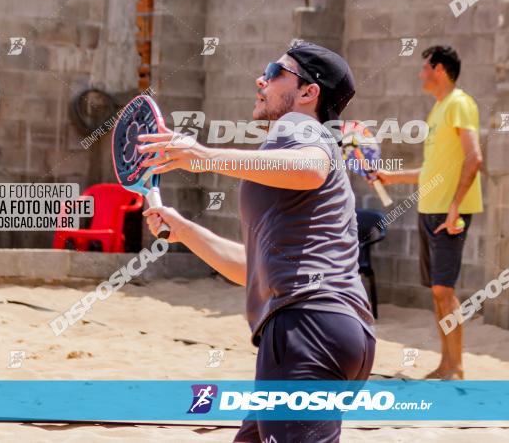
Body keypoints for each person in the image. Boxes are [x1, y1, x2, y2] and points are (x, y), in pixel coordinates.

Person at [139, 42, 375, 443]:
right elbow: (252, 270)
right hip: (334, 330)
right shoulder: (290, 145)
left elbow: (311, 168)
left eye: (275, 71)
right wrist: (186, 231)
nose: (260, 79)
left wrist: (201, 155)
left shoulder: (300, 127)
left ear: (307, 92)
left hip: (307, 328)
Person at [374, 45, 483, 380]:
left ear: (439, 69)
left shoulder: (459, 103)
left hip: (449, 214)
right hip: (428, 210)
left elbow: (474, 157)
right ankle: (445, 364)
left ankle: (458, 367)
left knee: (444, 291)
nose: (420, 73)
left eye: (424, 68)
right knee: (437, 292)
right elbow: (432, 170)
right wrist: (392, 178)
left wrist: (454, 207)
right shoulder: (437, 110)